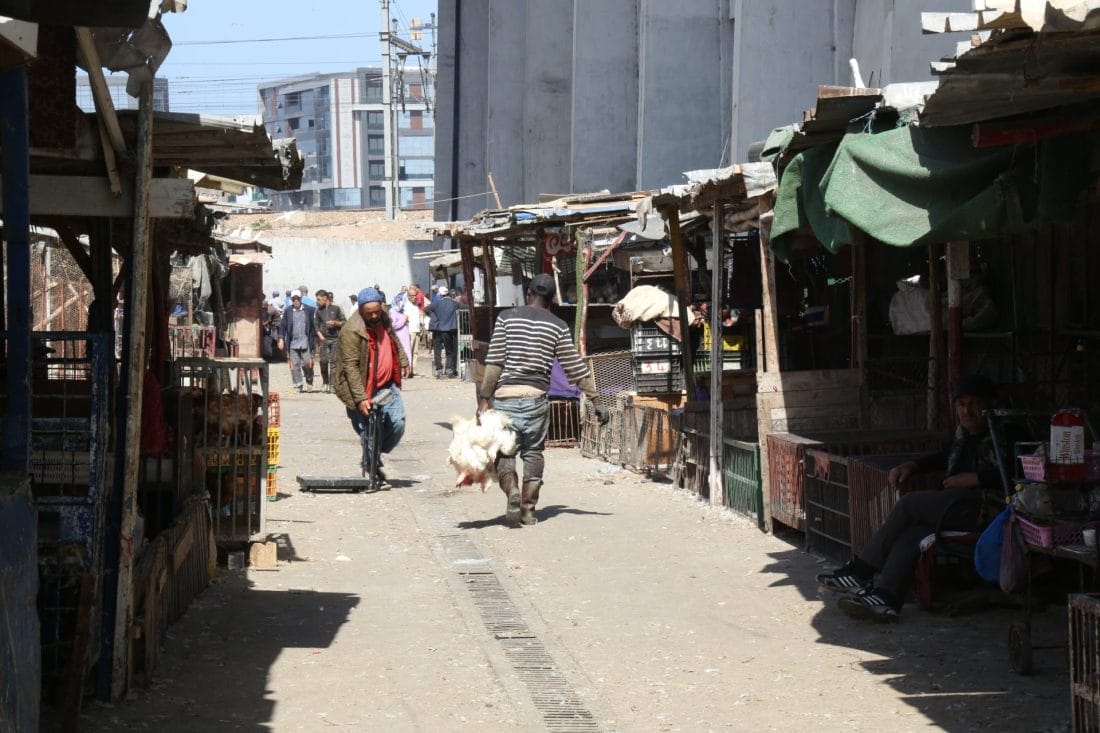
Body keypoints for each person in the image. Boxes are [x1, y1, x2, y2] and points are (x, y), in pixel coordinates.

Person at [817, 373, 1013, 623]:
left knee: (909, 504)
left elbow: (1020, 472)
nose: (968, 411)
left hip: (989, 511)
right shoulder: (963, 436)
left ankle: (862, 570)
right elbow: (943, 457)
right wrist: (911, 465)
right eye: (962, 405)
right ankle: (886, 597)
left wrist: (976, 479)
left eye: (975, 404)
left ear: (990, 403)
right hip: (958, 506)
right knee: (913, 534)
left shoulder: (1006, 432)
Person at [477, 273, 607, 527]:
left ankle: (512, 490)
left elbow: (494, 363)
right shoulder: (557, 325)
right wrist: (596, 400)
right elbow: (575, 367)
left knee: (505, 453)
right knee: (533, 453)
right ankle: (527, 509)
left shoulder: (506, 318)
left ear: (528, 294)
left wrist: (484, 399)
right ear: (552, 300)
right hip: (536, 398)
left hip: (505, 398)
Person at [333, 287, 411, 484]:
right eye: (370, 313)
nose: (375, 315)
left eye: (377, 310)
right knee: (369, 429)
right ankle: (372, 465)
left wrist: (403, 360)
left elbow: (393, 338)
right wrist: (360, 398)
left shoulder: (383, 317)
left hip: (387, 385)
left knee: (398, 422)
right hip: (363, 387)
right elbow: (350, 367)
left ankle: (372, 452)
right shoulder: (351, 331)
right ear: (360, 310)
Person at [277, 290, 316, 392]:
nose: (296, 301)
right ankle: (298, 385)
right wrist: (281, 339)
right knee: (295, 364)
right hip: (293, 342)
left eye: (297, 299)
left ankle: (309, 379)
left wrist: (317, 338)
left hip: (306, 341)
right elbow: (283, 326)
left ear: (301, 299)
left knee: (307, 364)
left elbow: (313, 326)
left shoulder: (309, 310)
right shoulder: (288, 311)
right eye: (293, 299)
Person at [313, 289, 346, 393]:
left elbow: (344, 322)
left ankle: (332, 385)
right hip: (324, 339)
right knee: (323, 361)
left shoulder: (336, 308)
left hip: (336, 339)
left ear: (325, 298)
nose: (317, 301)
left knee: (334, 362)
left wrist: (336, 323)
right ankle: (325, 382)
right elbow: (316, 324)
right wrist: (319, 335)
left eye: (318, 299)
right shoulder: (318, 311)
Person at [424, 285, 460, 378]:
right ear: (448, 293)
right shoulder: (454, 304)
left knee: (437, 350)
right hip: (449, 330)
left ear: (440, 295)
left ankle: (439, 370)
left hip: (437, 329)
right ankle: (449, 369)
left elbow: (426, 309)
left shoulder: (436, 304)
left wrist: (433, 315)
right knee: (449, 351)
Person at [404, 285, 423, 376]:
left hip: (417, 330)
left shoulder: (415, 305)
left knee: (415, 352)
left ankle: (413, 370)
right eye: (413, 296)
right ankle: (407, 370)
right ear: (408, 296)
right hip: (410, 331)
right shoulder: (406, 306)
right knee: (408, 351)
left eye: (415, 295)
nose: (415, 297)